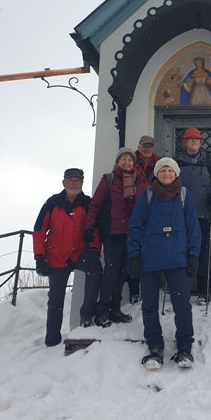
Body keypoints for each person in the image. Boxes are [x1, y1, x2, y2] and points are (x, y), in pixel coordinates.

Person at [127, 158, 201, 370]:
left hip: (177, 257)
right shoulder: (147, 196)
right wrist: (133, 255)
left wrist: (193, 254)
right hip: (150, 257)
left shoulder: (184, 195)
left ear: (176, 174)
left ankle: (184, 346)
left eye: (170, 170)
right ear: (157, 173)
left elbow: (193, 227)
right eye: (162, 170)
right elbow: (135, 227)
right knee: (149, 305)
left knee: (182, 305)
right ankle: (154, 346)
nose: (166, 174)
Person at [33, 168, 102, 347]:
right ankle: (52, 340)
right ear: (64, 183)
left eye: (78, 180)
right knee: (55, 300)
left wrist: (94, 249)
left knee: (95, 269)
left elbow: (95, 228)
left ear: (82, 183)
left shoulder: (87, 203)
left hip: (80, 253)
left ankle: (87, 316)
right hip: (57, 257)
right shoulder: (52, 203)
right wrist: (39, 257)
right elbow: (39, 230)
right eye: (71, 180)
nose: (75, 183)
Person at [84, 147, 143, 326]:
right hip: (112, 232)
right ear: (117, 162)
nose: (127, 162)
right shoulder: (108, 180)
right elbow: (95, 205)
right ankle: (102, 311)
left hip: (130, 233)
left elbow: (142, 207)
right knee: (111, 271)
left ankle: (115, 309)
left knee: (122, 272)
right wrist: (88, 227)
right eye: (123, 159)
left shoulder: (138, 181)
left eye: (130, 160)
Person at [174, 127, 211, 305]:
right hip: (181, 214)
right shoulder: (176, 161)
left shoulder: (208, 159)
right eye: (191, 138)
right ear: (184, 142)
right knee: (180, 252)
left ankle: (204, 290)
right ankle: (181, 289)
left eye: (198, 139)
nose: (195, 141)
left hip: (203, 213)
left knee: (204, 254)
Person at [127, 135, 162, 304]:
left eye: (150, 146)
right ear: (139, 146)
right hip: (133, 209)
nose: (147, 149)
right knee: (133, 250)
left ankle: (152, 288)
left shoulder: (160, 163)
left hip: (154, 212)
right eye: (144, 146)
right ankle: (134, 290)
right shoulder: (130, 161)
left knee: (152, 249)